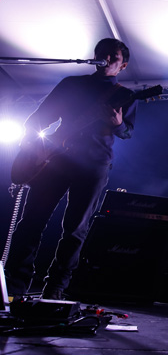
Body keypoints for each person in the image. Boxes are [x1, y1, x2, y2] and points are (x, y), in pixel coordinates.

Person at [5, 38, 136, 300]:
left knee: (75, 229)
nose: (107, 59)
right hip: (57, 159)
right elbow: (39, 118)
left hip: (94, 164)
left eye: (113, 56)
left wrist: (118, 124)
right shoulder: (71, 84)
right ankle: (13, 286)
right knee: (32, 220)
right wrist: (32, 147)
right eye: (102, 54)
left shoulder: (125, 95)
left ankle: (55, 289)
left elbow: (128, 132)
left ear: (123, 65)